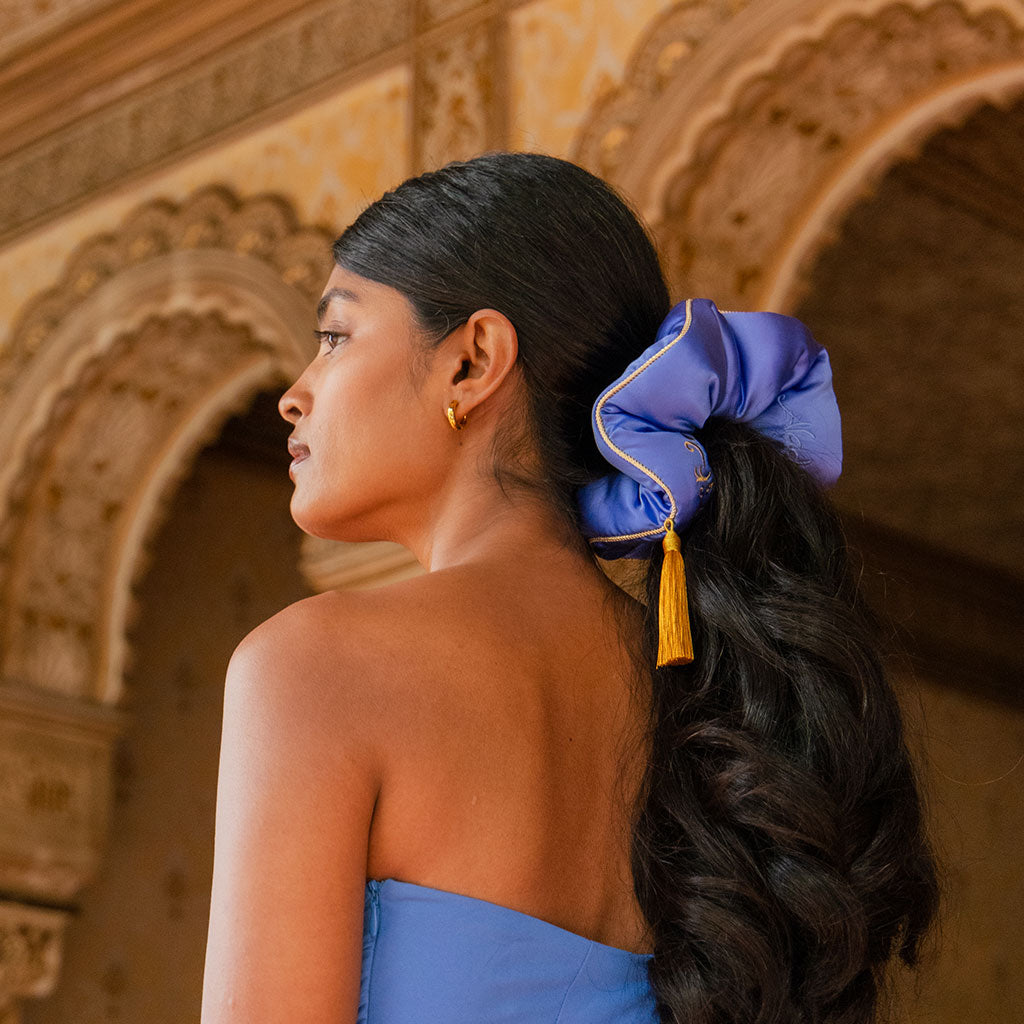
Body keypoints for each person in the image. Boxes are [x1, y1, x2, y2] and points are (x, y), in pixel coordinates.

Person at [200, 152, 938, 1024]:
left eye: (335, 337)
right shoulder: (714, 689)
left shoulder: (311, 668)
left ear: (473, 361)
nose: (294, 394)